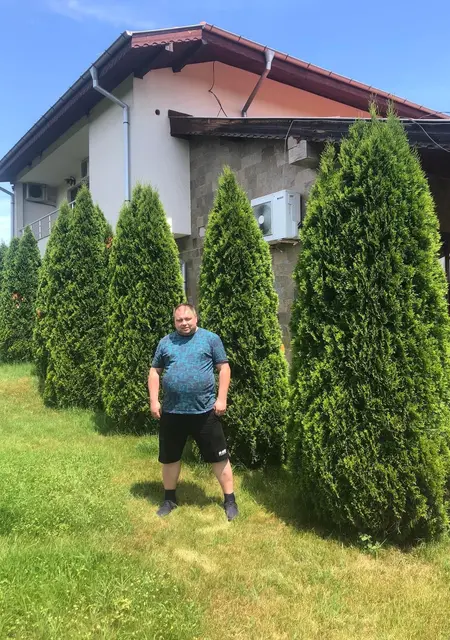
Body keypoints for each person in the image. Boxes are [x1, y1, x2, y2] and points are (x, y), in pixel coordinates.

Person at [148, 303, 239, 521]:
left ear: (195, 318)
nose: (184, 323)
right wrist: (153, 401)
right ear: (174, 321)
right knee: (170, 458)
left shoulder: (210, 339)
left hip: (204, 412)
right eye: (179, 320)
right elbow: (154, 371)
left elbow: (224, 368)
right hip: (172, 412)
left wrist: (222, 398)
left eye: (188, 319)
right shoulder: (165, 342)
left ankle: (230, 500)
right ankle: (169, 500)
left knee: (219, 457)